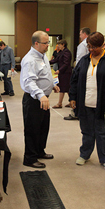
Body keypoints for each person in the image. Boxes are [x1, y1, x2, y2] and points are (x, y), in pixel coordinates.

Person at [68, 32, 105, 171]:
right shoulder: (84, 60)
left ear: (103, 45)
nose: (92, 49)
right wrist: (72, 97)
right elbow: (74, 81)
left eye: (95, 47)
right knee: (87, 132)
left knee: (104, 133)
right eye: (89, 46)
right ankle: (84, 154)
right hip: (85, 104)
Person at [20, 31, 60, 168]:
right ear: (36, 43)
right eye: (45, 43)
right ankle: (30, 158)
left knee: (43, 127)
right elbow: (29, 82)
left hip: (43, 99)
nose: (48, 45)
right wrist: (40, 94)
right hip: (34, 99)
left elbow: (45, 74)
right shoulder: (30, 59)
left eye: (48, 42)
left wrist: (53, 85)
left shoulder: (42, 56)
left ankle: (39, 151)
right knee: (32, 129)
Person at [64, 27, 90, 121]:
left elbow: (80, 59)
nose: (79, 36)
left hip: (81, 71)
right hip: (88, 71)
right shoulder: (88, 44)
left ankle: (75, 112)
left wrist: (76, 71)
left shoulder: (83, 45)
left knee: (77, 91)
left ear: (84, 34)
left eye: (80, 34)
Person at [50, 39, 72, 108]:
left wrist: (59, 70)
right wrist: (48, 62)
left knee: (64, 87)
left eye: (59, 45)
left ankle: (61, 103)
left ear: (63, 45)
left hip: (66, 73)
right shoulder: (62, 52)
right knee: (66, 88)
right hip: (63, 73)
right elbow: (56, 59)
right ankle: (71, 101)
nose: (58, 46)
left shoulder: (66, 52)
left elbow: (66, 63)